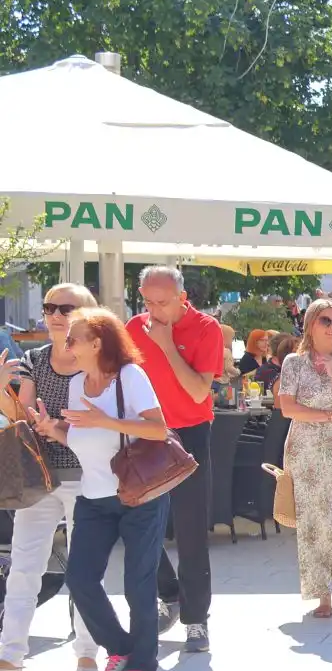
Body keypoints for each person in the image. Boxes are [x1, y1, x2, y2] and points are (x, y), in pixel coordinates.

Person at [29, 308, 172, 671]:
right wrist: (52, 429)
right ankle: (122, 651)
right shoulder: (77, 384)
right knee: (79, 580)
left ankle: (143, 668)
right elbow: (82, 438)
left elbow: (158, 429)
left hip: (139, 495)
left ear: (97, 343)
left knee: (138, 586)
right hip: (94, 497)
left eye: (73, 338)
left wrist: (105, 421)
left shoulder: (130, 377)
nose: (66, 343)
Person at [0, 283, 101, 671]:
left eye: (66, 307)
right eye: (49, 307)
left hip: (88, 475)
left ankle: (87, 653)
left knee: (85, 570)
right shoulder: (35, 360)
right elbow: (21, 418)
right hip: (38, 477)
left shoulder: (97, 363)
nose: (56, 314)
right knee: (25, 567)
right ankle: (10, 656)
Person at [131, 266, 222, 651]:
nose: (153, 310)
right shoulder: (134, 328)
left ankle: (196, 619)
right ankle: (170, 593)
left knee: (190, 529)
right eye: (148, 301)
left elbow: (200, 392)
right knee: (137, 524)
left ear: (182, 297)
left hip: (189, 434)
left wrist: (167, 346)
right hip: (146, 433)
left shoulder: (206, 329)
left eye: (162, 302)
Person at [276, 301, 332, 618]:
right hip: (305, 449)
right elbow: (287, 407)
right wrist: (328, 417)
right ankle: (321, 594)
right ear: (310, 324)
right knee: (313, 521)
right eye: (325, 320)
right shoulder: (294, 362)